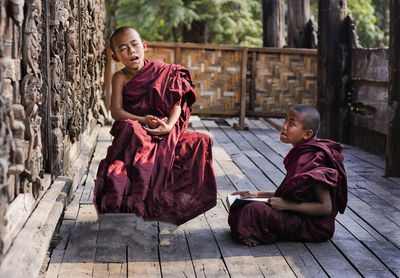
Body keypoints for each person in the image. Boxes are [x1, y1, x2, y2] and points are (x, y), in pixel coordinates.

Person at [94, 27, 217, 225]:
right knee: (130, 128)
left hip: (164, 128)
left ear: (144, 46)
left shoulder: (164, 71)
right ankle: (134, 204)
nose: (131, 51)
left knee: (201, 141)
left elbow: (178, 100)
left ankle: (173, 204)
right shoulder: (121, 77)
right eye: (123, 49)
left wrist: (168, 126)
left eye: (134, 45)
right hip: (139, 127)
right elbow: (116, 112)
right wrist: (141, 120)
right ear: (116, 56)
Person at [228, 104, 347, 246]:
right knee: (241, 205)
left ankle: (256, 234)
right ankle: (252, 232)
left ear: (307, 134)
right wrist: (256, 195)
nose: (283, 126)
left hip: (314, 226)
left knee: (253, 210)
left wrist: (287, 205)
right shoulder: (300, 153)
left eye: (291, 124)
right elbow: (288, 193)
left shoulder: (315, 158)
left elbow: (325, 207)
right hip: (297, 214)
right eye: (285, 121)